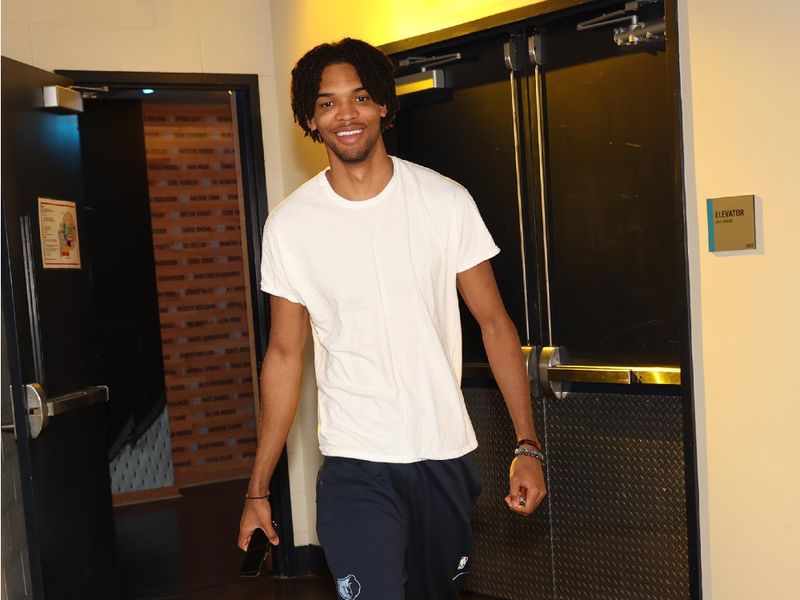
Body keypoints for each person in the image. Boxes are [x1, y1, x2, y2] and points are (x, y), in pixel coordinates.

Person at [238, 37, 546, 599]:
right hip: (356, 463)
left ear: (383, 104)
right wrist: (258, 487)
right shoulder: (290, 226)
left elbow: (495, 325)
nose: (346, 114)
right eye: (328, 103)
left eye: (359, 97)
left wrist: (527, 447)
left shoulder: (445, 201)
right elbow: (285, 354)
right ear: (310, 118)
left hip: (442, 455)